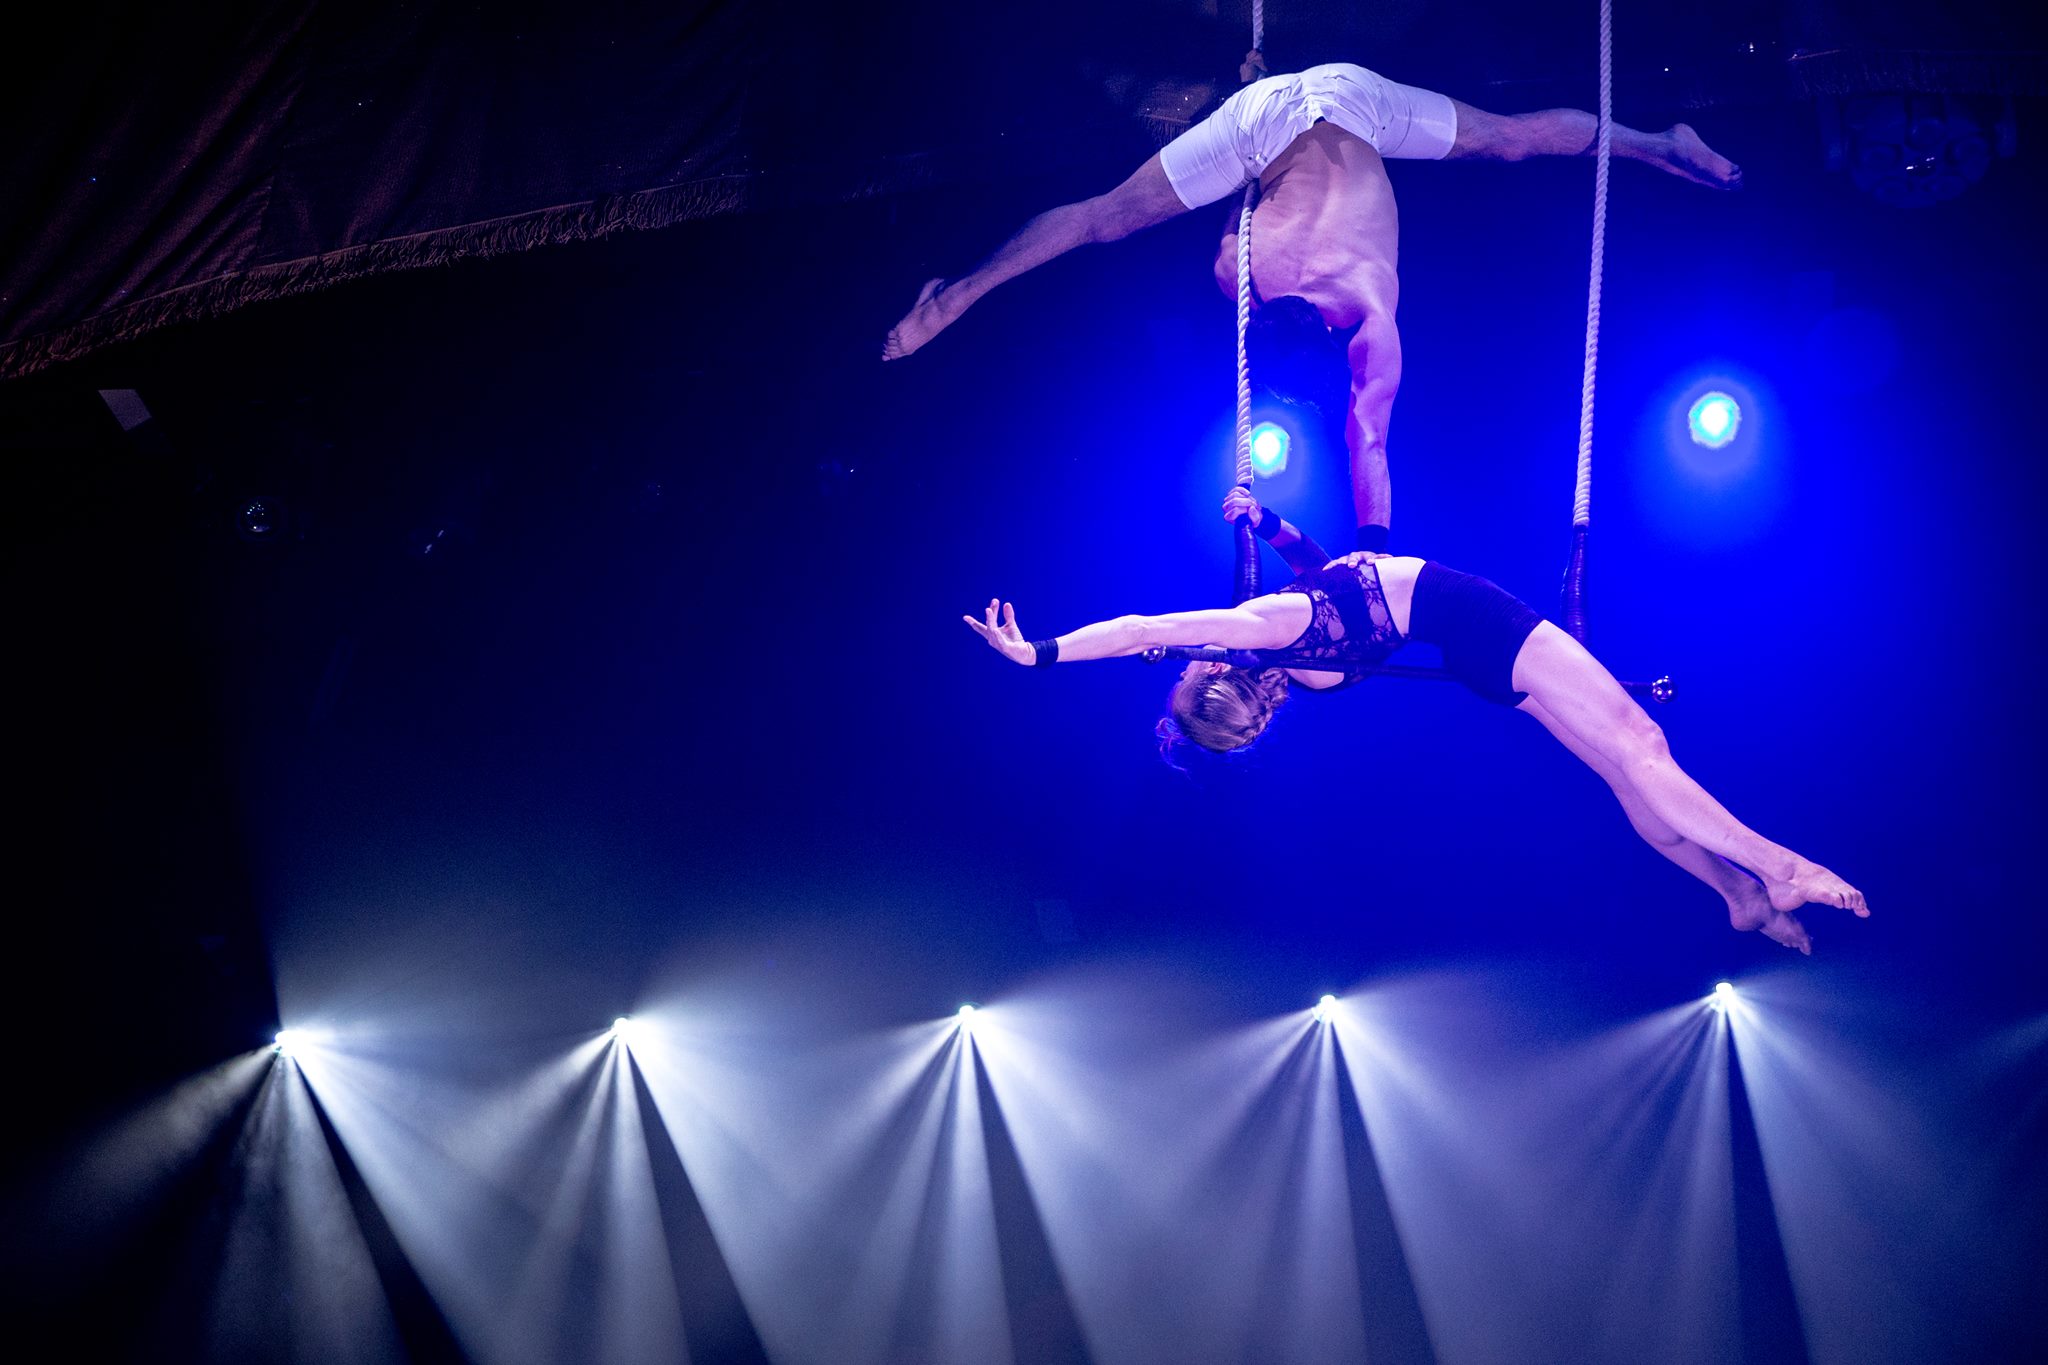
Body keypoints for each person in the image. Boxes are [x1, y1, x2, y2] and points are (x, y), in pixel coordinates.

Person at [961, 489, 1867, 954]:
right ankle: (1776, 868)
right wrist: (1036, 653)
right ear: (1214, 670)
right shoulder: (1261, 626)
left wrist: (1270, 523)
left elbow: (1324, 576)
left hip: (1469, 659)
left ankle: (1735, 894)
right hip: (1475, 622)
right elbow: (1139, 629)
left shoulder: (1292, 648)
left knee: (1621, 770)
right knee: (1640, 745)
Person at [886, 58, 1741, 551]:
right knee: (1514, 137)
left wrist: (1375, 552)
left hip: (1319, 113)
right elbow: (1236, 229)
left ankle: (952, 297)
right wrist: (1369, 561)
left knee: (1105, 218)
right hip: (1312, 109)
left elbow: (1369, 437)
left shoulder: (1369, 311)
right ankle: (1655, 143)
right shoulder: (1251, 285)